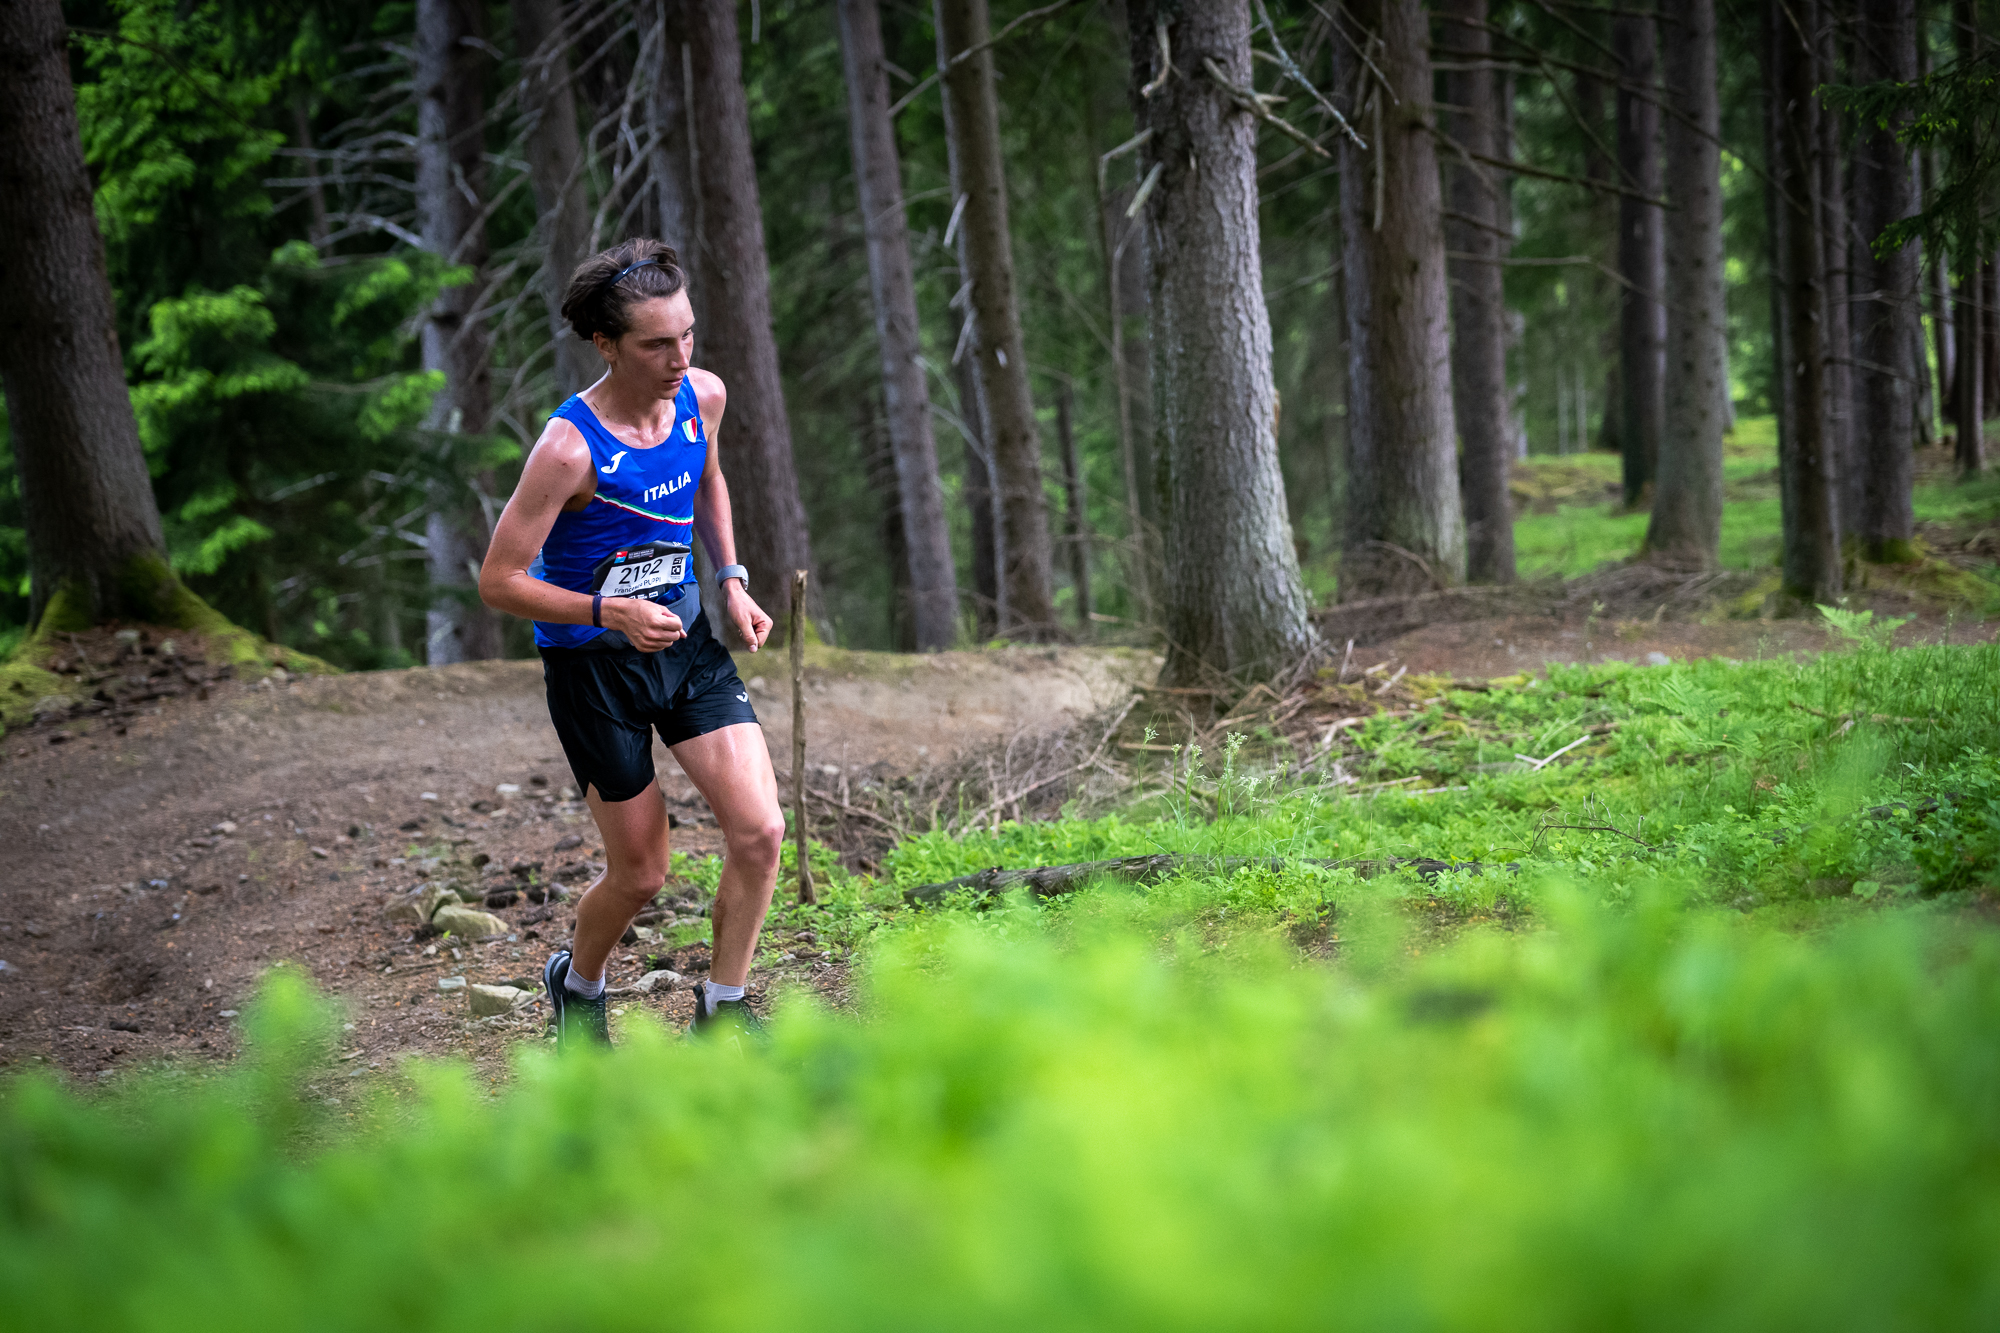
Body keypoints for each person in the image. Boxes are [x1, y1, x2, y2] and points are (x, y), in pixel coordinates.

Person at [479, 238, 785, 1049]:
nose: (679, 358)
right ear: (605, 344)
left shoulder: (702, 397)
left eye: (687, 334)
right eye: (656, 344)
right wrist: (606, 612)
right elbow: (499, 580)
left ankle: (722, 1009)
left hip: (684, 645)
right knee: (643, 872)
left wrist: (731, 578)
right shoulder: (567, 448)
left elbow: (707, 479)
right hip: (593, 669)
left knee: (761, 832)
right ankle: (577, 983)